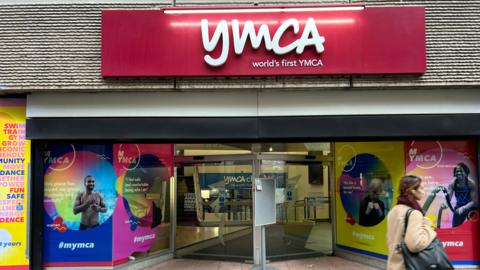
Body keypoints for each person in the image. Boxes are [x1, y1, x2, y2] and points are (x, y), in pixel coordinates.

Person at [387, 175, 437, 270]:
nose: (424, 191)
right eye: (421, 188)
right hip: (407, 265)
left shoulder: (394, 210)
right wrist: (427, 226)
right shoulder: (414, 213)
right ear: (413, 191)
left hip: (393, 264)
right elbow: (415, 245)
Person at [447, 163, 478, 227]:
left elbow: (474, 201)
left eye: (461, 171)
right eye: (457, 171)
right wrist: (445, 203)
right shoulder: (452, 184)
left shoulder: (471, 183)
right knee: (455, 227)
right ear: (454, 174)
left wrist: (464, 208)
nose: (459, 173)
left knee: (474, 226)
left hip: (471, 207)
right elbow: (448, 199)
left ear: (466, 173)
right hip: (459, 208)